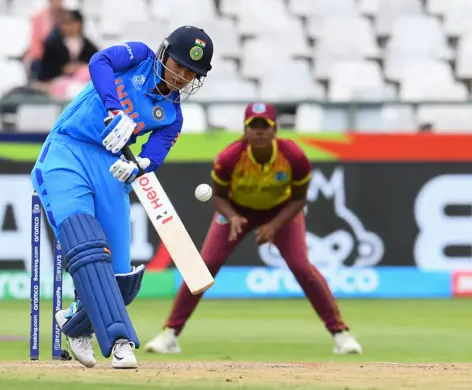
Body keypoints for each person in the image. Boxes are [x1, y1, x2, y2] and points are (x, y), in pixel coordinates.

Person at [31, 26, 214, 369]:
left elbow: (151, 158)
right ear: (164, 54)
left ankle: (75, 324)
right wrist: (116, 111)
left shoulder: (172, 116)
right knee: (87, 243)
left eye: (192, 74)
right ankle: (120, 340)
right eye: (179, 66)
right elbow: (99, 62)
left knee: (122, 281)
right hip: (68, 150)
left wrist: (138, 167)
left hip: (111, 167)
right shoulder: (139, 57)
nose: (182, 77)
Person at [144, 103, 363, 356]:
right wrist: (233, 217)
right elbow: (218, 197)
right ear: (245, 130)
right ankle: (170, 334)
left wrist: (273, 226)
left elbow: (299, 200)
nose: (259, 132)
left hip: (280, 212)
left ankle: (341, 334)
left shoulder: (293, 157)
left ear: (275, 130)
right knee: (203, 267)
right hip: (237, 211)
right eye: (253, 126)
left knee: (302, 267)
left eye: (264, 126)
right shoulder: (229, 158)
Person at [33, 9, 99, 99]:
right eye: (65, 23)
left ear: (79, 24)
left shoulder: (89, 47)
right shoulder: (52, 45)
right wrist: (62, 69)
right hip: (57, 88)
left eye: (72, 23)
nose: (69, 27)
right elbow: (44, 72)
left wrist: (80, 67)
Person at [23, 0, 67, 77]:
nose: (57, 0)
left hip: (63, 60)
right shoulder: (38, 18)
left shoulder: (68, 18)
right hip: (44, 60)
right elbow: (35, 45)